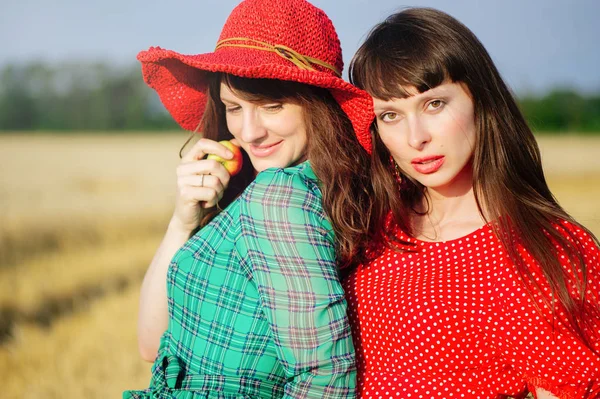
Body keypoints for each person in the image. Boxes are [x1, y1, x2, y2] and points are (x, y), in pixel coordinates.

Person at [342, 7, 600, 399]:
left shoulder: (542, 251)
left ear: (480, 99)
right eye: (391, 114)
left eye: (434, 104)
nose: (416, 137)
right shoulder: (371, 221)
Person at [123, 0, 375, 398]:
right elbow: (153, 347)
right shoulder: (290, 192)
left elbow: (324, 376)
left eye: (272, 106)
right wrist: (183, 222)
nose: (250, 131)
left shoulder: (275, 199)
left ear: (319, 104)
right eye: (233, 108)